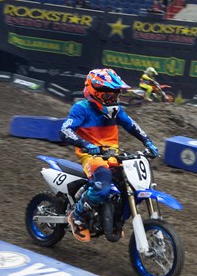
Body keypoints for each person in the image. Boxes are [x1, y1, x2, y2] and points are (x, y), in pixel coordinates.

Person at [60, 68, 160, 242]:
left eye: (116, 96)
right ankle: (77, 216)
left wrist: (148, 142)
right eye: (109, 96)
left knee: (134, 186)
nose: (113, 100)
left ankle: (115, 219)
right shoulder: (81, 108)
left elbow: (132, 126)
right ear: (95, 93)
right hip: (91, 157)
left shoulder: (117, 111)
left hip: (113, 157)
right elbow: (65, 130)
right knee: (103, 188)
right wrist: (86, 145)